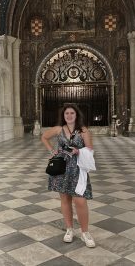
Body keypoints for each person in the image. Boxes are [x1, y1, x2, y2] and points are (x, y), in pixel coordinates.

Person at [41, 103, 96, 248]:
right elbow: (44, 137)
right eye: (67, 114)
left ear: (76, 115)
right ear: (63, 116)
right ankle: (69, 230)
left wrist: (79, 151)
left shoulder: (83, 130)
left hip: (78, 169)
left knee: (80, 201)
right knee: (65, 199)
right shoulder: (59, 129)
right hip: (62, 168)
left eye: (72, 113)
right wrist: (52, 151)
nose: (69, 116)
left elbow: (90, 149)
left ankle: (85, 232)